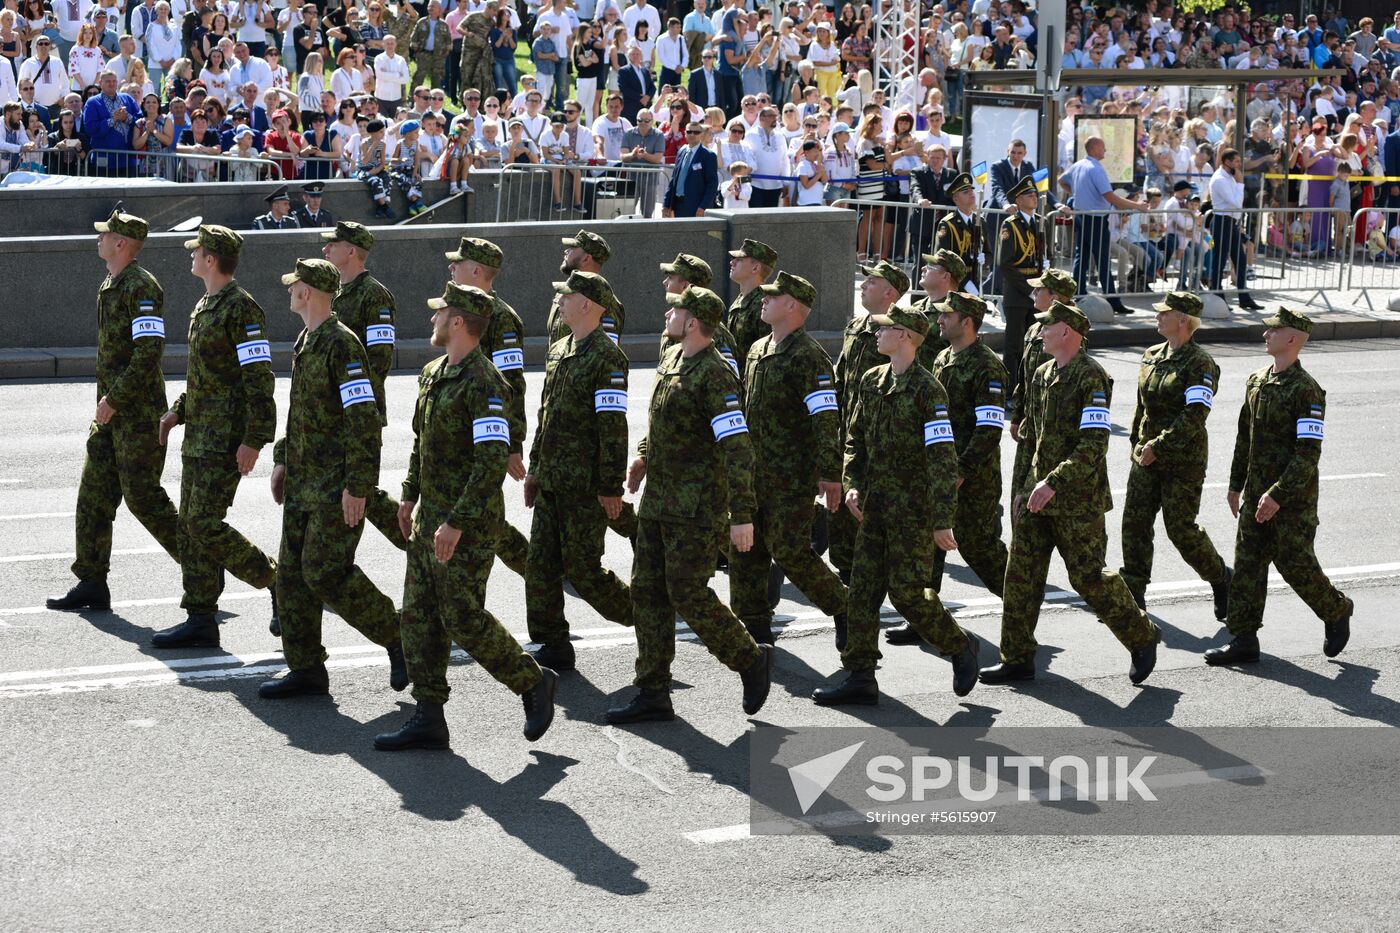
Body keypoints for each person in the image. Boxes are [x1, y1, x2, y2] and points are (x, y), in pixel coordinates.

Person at [374, 282, 558, 751]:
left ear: (459, 322)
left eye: (441, 313)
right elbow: (422, 441)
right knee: (418, 617)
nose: (433, 319)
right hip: (428, 516)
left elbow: (490, 461)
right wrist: (409, 495)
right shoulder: (435, 372)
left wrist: (456, 522)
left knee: (461, 617)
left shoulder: (485, 383)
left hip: (469, 523)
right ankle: (429, 716)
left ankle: (532, 682)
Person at [605, 285, 773, 724]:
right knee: (647, 591)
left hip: (697, 506)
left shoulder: (715, 374)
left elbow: (738, 447)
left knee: (688, 592)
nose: (668, 312)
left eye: (676, 309)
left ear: (694, 321)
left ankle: (749, 659)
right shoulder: (673, 358)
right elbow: (659, 419)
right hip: (660, 500)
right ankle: (653, 691)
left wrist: (742, 516)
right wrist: (643, 455)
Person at [980, 301, 1161, 686]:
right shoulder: (1043, 374)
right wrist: (1024, 488)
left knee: (1089, 578)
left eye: (1048, 326)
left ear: (1067, 332)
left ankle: (1142, 636)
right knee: (1021, 577)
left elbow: (1093, 445)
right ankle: (1016, 657)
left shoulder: (1092, 378)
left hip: (1076, 501)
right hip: (1036, 497)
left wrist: (1053, 483)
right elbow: (1031, 438)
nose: (1040, 331)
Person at [813, 304, 981, 705]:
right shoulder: (872, 381)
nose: (877, 333)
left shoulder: (929, 392)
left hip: (913, 514)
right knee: (862, 592)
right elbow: (855, 440)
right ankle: (860, 675)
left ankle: (959, 646)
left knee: (908, 596)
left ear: (904, 335)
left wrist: (941, 521)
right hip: (873, 510)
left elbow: (943, 461)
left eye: (886, 329)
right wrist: (852, 484)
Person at [256, 258, 407, 699]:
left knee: (326, 574)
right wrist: (283, 459)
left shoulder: (342, 345)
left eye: (293, 285)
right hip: (303, 482)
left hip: (333, 485)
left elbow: (364, 420)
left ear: (308, 293)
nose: (288, 291)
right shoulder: (308, 338)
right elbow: (298, 410)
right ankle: (305, 669)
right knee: (291, 577)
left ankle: (399, 636)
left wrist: (358, 486)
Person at [46, 210, 181, 614]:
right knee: (94, 496)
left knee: (145, 500)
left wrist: (115, 399)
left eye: (106, 234)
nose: (100, 238)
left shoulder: (142, 288)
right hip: (110, 414)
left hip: (136, 414)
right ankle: (91, 581)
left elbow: (147, 353)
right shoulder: (111, 282)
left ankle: (202, 566)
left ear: (122, 243)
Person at [1204, 307, 1355, 667]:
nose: (1265, 335)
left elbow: (1307, 454)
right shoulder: (1256, 381)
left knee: (1295, 565)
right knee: (1248, 567)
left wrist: (1279, 494)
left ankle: (1336, 610)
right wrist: (1236, 484)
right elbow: (1245, 437)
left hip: (1292, 501)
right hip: (1256, 494)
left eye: (1273, 331)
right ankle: (1243, 639)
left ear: (1292, 338)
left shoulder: (1307, 391)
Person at [152, 225, 278, 649]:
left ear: (211, 259)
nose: (191, 256)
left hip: (225, 439)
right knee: (190, 528)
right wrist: (177, 412)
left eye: (197, 250)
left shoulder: (241, 309)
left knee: (204, 523)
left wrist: (255, 439)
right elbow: (205, 377)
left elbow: (259, 379)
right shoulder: (207, 303)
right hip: (200, 436)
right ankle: (200, 617)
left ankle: (274, 580)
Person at [730, 270, 848, 646]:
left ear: (793, 306)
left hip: (790, 478)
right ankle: (756, 629)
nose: (763, 301)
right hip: (753, 473)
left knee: (791, 553)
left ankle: (844, 608)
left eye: (773, 297)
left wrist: (831, 473)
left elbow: (826, 419)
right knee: (746, 553)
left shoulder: (810, 357)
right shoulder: (757, 350)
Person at [523, 270, 634, 671]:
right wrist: (535, 469)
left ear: (586, 304)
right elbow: (545, 415)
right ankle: (553, 643)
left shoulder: (608, 357)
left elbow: (612, 426)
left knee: (584, 572)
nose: (559, 303)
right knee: (540, 568)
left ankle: (646, 617)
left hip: (584, 486)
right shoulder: (559, 350)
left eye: (566, 297)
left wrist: (610, 485)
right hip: (552, 479)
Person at [886, 291, 1009, 646]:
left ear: (966, 322)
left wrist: (962, 470)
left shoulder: (987, 366)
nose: (939, 320)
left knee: (978, 547)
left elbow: (989, 427)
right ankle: (924, 619)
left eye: (946, 315)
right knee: (930, 545)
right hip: (941, 471)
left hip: (974, 477)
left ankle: (1022, 602)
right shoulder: (941, 358)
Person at [1119, 291, 1232, 618]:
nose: (1157, 316)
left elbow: (1196, 414)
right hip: (1146, 455)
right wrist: (1137, 445)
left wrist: (1160, 446)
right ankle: (1133, 592)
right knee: (1135, 523)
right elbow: (1141, 408)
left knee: (1181, 530)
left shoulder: (1201, 364)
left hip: (1182, 460)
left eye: (1164, 313)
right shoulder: (1151, 355)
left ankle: (1221, 577)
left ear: (1183, 320)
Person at [444, 236, 532, 578]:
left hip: (486, 434)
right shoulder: (459, 312)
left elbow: (512, 384)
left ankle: (537, 569)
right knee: (480, 516)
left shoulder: (501, 319)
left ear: (477, 270)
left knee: (482, 516)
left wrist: (513, 444)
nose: (451, 268)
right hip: (459, 430)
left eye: (458, 263)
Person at [826, 258, 909, 598]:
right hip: (849, 437)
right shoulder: (855, 326)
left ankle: (899, 596)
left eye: (870, 282)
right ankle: (852, 592)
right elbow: (840, 379)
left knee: (872, 520)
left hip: (879, 442)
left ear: (890, 292)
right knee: (843, 521)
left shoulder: (901, 330)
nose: (862, 285)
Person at [1058, 136, 1147, 316]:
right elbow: (1110, 197)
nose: (1105, 151)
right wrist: (1137, 206)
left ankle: (1079, 294)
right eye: (1103, 148)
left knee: (1081, 257)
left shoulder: (1078, 165)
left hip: (1082, 216)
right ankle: (1113, 301)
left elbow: (1062, 180)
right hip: (1096, 219)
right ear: (1095, 148)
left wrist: (1076, 193)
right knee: (1102, 261)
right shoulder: (1096, 169)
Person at [996, 175, 1046, 392]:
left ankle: (1028, 388)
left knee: (1033, 344)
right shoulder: (1011, 225)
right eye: (1029, 195)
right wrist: (1030, 290)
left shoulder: (1038, 221)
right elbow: (1005, 265)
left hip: (1035, 293)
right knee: (1014, 346)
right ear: (1018, 199)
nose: (1034, 197)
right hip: (1018, 294)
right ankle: (1010, 389)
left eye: (1034, 194)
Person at [1206, 147, 1265, 311]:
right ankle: (1217, 297)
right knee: (1219, 260)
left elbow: (1236, 207)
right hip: (1221, 221)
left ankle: (1244, 297)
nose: (1240, 165)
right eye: (1237, 161)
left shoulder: (1229, 176)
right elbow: (1236, 203)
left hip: (1231, 223)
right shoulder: (1220, 179)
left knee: (1240, 259)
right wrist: (1240, 183)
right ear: (1227, 162)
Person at [933, 171, 982, 293]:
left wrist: (985, 258)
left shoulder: (980, 222)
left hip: (976, 280)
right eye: (966, 192)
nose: (971, 194)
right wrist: (966, 284)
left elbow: (988, 251)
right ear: (956, 199)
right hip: (954, 284)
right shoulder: (948, 224)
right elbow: (944, 258)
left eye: (971, 191)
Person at [82, 70, 139, 176]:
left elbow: (140, 121)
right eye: (108, 81)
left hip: (128, 157)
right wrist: (112, 120)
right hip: (104, 158)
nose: (112, 84)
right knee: (105, 191)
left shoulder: (127, 98)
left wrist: (127, 117)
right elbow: (89, 128)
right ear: (100, 83)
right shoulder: (92, 102)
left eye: (114, 81)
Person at [662, 120, 718, 217]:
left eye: (696, 132)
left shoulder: (708, 155)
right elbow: (674, 179)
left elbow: (712, 183)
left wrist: (703, 206)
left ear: (701, 135)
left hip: (697, 206)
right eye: (689, 132)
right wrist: (666, 204)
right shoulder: (682, 151)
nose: (692, 134)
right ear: (685, 134)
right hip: (678, 204)